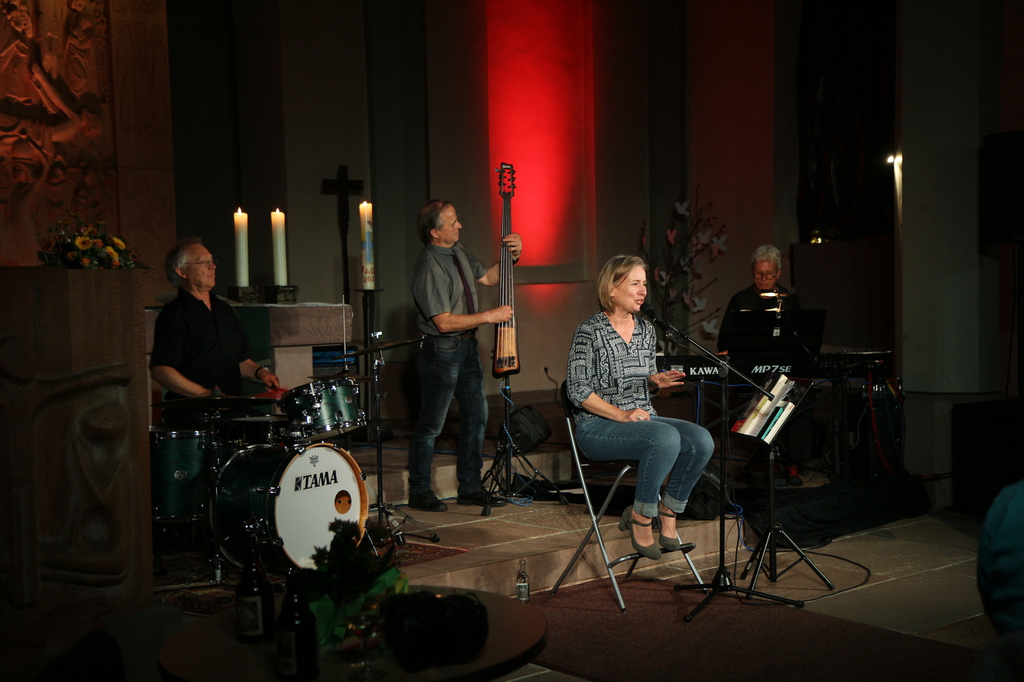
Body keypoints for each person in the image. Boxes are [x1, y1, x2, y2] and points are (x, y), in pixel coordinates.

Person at [565, 254, 715, 559]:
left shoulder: (646, 330)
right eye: (635, 283)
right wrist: (621, 414)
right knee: (665, 438)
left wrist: (654, 381)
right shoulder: (589, 331)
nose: (643, 291)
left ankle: (669, 510)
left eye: (644, 284)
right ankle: (642, 515)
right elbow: (577, 390)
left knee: (701, 440)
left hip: (641, 420)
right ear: (612, 288)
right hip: (597, 427)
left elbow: (640, 384)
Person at [407, 200, 522, 512]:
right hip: (441, 350)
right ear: (434, 232)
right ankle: (419, 489)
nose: (459, 226)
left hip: (467, 347)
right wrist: (489, 316)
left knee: (476, 416)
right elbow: (443, 323)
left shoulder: (457, 250)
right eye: (452, 222)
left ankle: (470, 485)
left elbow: (489, 277)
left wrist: (512, 255)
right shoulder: (429, 267)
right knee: (432, 424)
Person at [150, 237, 280, 426]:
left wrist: (260, 372)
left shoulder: (225, 311)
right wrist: (204, 394)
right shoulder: (173, 315)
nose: (213, 266)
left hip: (230, 408)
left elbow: (240, 361)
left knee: (268, 427)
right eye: (204, 262)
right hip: (191, 412)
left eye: (212, 261)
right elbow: (161, 370)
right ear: (181, 271)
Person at [717, 244, 801, 353]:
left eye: (769, 274)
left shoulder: (791, 300)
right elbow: (723, 340)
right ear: (752, 271)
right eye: (759, 273)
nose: (763, 278)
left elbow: (798, 340)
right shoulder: (739, 300)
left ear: (778, 273)